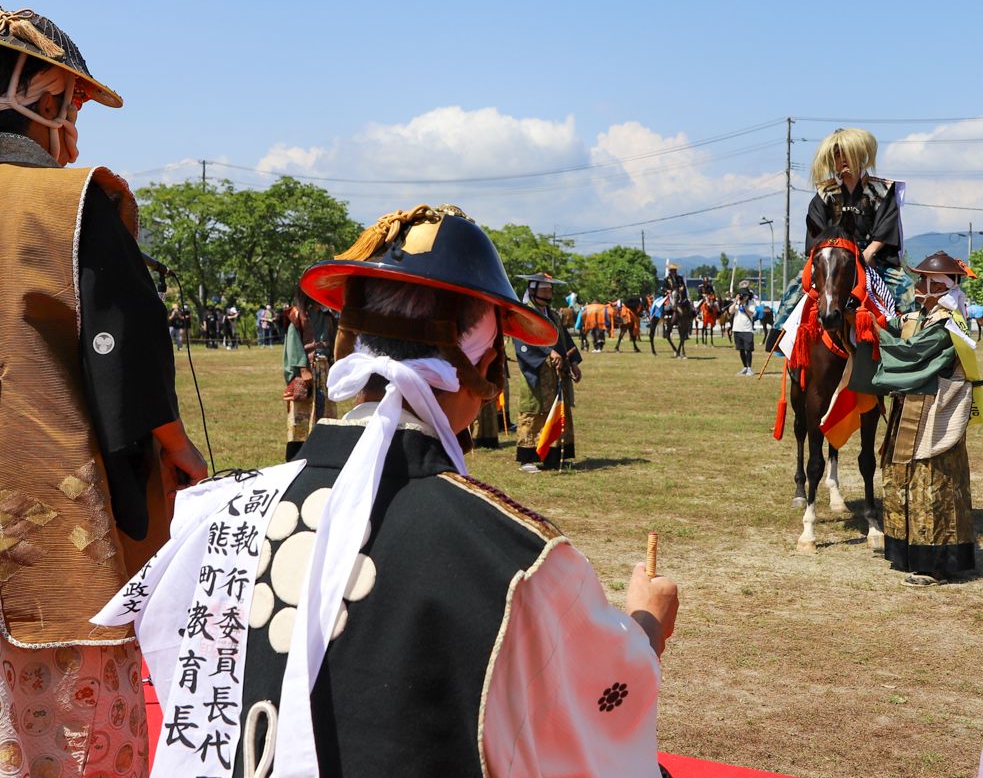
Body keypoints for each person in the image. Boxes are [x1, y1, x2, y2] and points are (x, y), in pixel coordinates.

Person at [97, 204, 678, 777]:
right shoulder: (514, 559)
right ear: (486, 368)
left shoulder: (218, 514)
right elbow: (595, 707)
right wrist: (646, 626)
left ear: (349, 345)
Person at [0, 6, 206, 776]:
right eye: (74, 104)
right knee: (71, 736)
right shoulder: (71, 201)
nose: (74, 125)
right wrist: (176, 450)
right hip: (47, 520)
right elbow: (126, 358)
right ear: (42, 92)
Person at [854, 252, 980, 586]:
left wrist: (877, 333)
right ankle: (908, 551)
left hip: (934, 413)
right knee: (901, 476)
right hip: (909, 408)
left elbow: (912, 353)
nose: (917, 285)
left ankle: (935, 563)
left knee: (930, 481)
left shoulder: (947, 324)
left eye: (924, 280)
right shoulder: (921, 317)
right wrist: (871, 318)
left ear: (940, 288)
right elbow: (897, 326)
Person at [774, 128, 908, 337]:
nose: (842, 160)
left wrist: (866, 255)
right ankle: (781, 338)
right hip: (834, 257)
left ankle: (911, 344)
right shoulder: (825, 193)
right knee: (795, 287)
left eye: (847, 153)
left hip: (871, 258)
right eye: (837, 155)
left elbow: (885, 228)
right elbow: (816, 232)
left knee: (907, 290)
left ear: (860, 155)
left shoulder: (882, 190)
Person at [513, 272, 582, 471]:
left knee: (558, 409)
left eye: (550, 289)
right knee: (534, 411)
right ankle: (528, 458)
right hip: (536, 372)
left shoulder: (552, 315)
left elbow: (564, 340)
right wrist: (548, 352)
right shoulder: (524, 314)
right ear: (532, 291)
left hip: (556, 373)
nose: (548, 293)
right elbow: (523, 339)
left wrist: (574, 361)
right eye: (544, 289)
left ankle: (553, 455)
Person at [283, 285, 338, 460]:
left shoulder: (328, 317)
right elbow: (293, 343)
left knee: (325, 415)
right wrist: (303, 368)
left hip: (325, 371)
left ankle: (323, 454)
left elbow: (336, 342)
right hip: (306, 372)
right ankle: (296, 456)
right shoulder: (297, 315)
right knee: (302, 416)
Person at [731, 282, 758, 375]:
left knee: (748, 349)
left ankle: (749, 368)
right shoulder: (737, 303)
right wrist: (736, 302)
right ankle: (745, 367)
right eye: (742, 295)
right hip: (737, 328)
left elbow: (752, 313)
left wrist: (744, 306)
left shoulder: (751, 303)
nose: (743, 296)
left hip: (747, 329)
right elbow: (730, 311)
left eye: (745, 295)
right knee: (741, 349)